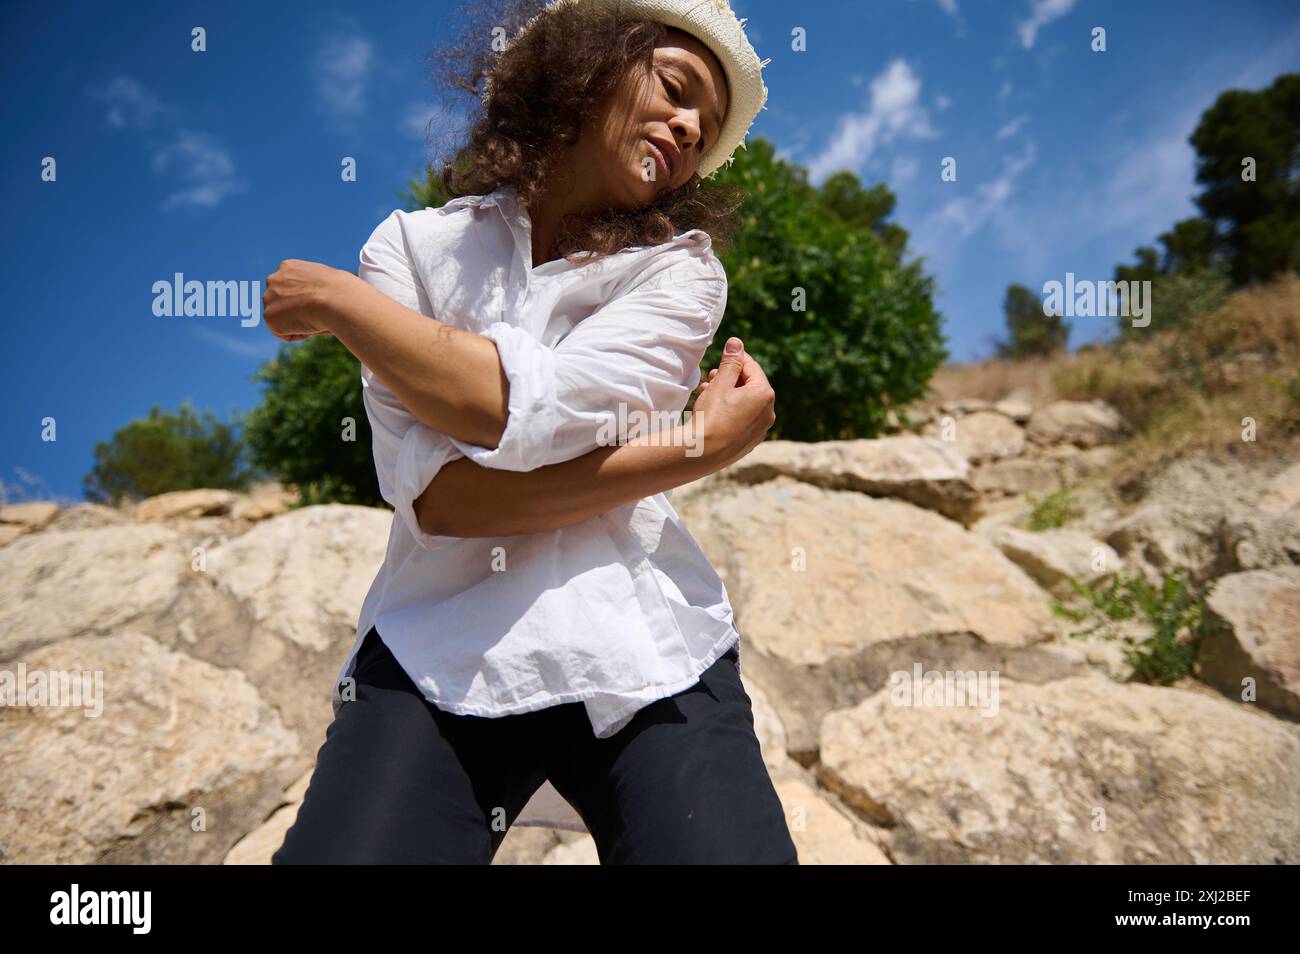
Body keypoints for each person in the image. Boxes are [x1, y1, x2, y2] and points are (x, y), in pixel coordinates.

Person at [264, 0, 796, 864]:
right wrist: (689, 447)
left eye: (706, 125)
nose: (692, 126)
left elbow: (527, 414)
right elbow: (443, 501)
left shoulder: (680, 272)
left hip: (647, 649)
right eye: (676, 87)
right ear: (589, 61)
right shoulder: (409, 248)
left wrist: (341, 307)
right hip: (436, 650)